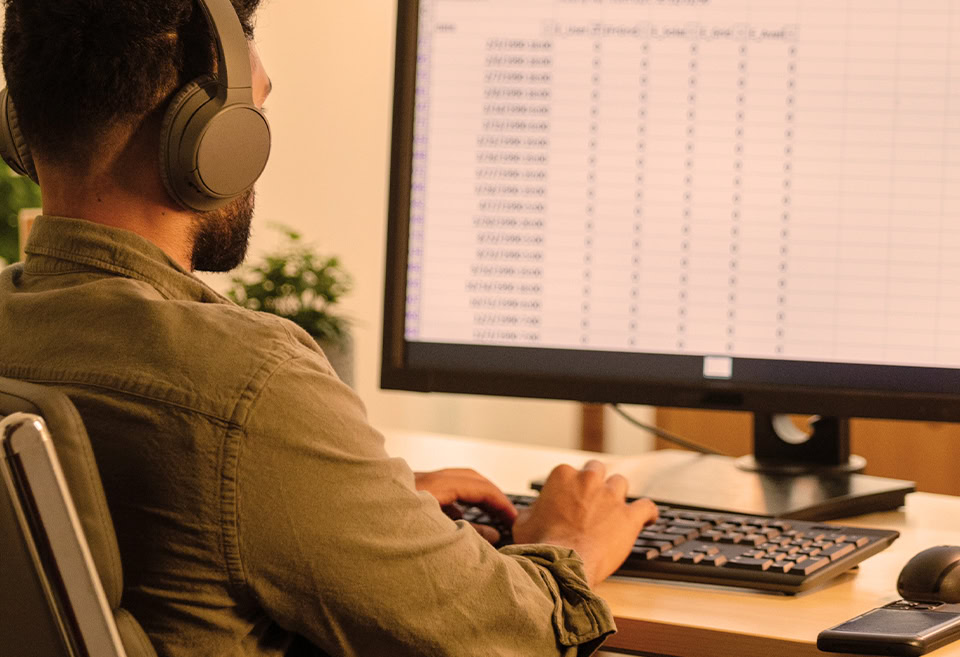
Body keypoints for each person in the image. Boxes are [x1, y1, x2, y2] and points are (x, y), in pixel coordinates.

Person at [0, 1, 658, 655]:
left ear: (21, 127)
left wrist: (349, 502)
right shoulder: (249, 387)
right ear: (208, 135)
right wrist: (573, 539)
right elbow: (512, 636)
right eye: (255, 105)